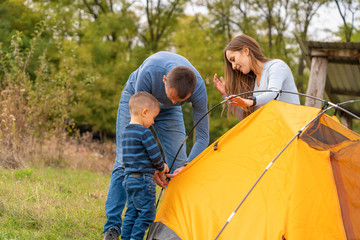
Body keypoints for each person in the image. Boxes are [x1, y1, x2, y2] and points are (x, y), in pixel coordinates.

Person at [103, 51, 209, 240]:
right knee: (124, 162)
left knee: (180, 168)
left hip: (170, 114)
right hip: (139, 101)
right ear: (164, 80)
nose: (175, 102)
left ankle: (174, 229)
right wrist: (152, 166)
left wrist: (186, 166)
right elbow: (137, 134)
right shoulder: (150, 71)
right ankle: (112, 228)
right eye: (173, 97)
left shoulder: (198, 90)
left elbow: (202, 136)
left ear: (192, 93)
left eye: (181, 101)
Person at [213, 34, 300, 120]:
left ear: (246, 51)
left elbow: (273, 93)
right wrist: (225, 95)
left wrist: (251, 101)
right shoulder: (253, 83)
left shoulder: (277, 66)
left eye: (233, 59)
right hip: (275, 130)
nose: (233, 67)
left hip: (293, 128)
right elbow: (247, 119)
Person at [121, 91, 168, 240]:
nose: (153, 122)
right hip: (143, 181)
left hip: (128, 179)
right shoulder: (144, 133)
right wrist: (162, 167)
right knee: (147, 214)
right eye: (153, 118)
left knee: (131, 213)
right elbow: (155, 155)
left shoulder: (125, 132)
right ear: (145, 112)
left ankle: (126, 237)